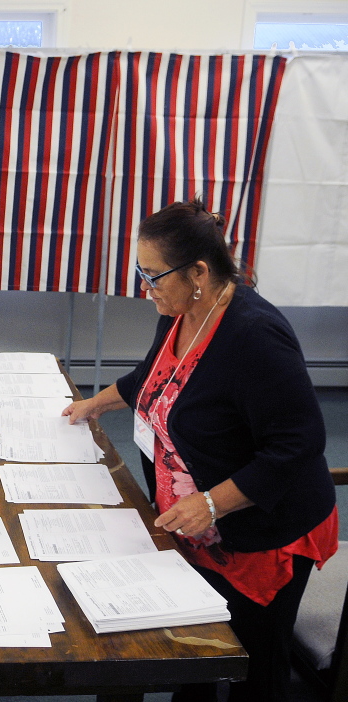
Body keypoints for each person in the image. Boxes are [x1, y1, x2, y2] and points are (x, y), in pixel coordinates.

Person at [62, 198, 337, 702]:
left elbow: (299, 444)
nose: (147, 290)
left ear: (198, 272)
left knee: (255, 663)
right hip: (198, 520)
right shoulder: (181, 307)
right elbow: (155, 374)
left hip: (261, 530)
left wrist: (211, 503)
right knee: (198, 651)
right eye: (141, 274)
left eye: (153, 276)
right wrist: (93, 405)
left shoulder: (256, 335)